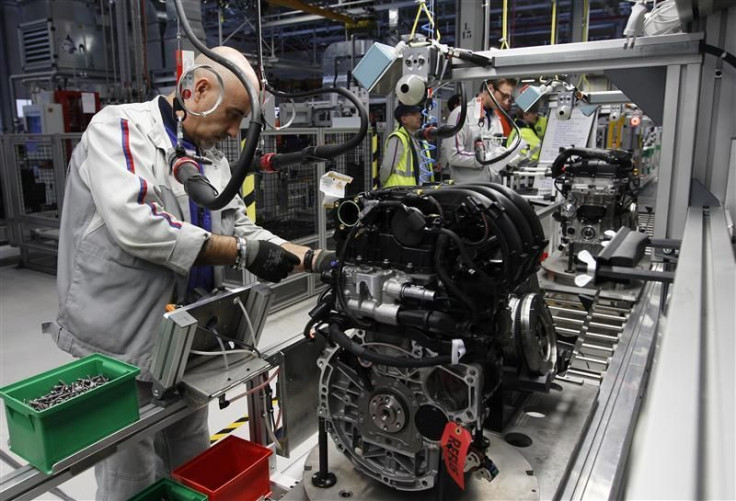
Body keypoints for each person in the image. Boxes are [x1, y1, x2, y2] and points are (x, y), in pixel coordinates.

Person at [46, 46, 333, 500]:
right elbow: (138, 225)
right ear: (200, 90)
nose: (237, 130)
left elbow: (239, 226)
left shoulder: (211, 156)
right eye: (235, 114)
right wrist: (243, 252)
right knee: (131, 477)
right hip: (121, 343)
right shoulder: (120, 128)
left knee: (193, 460)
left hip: (188, 340)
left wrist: (314, 259)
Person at [441, 78, 521, 184]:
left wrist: (507, 160)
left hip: (492, 187)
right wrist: (487, 158)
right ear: (491, 88)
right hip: (468, 189)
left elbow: (495, 153)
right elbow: (453, 156)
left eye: (508, 98)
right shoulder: (461, 114)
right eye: (504, 96)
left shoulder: (496, 119)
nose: (506, 101)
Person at [380, 104, 433, 187]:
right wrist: (384, 184)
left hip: (420, 191)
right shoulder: (398, 138)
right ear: (404, 119)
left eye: (419, 113)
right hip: (401, 193)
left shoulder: (421, 140)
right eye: (414, 114)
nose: (419, 116)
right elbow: (387, 168)